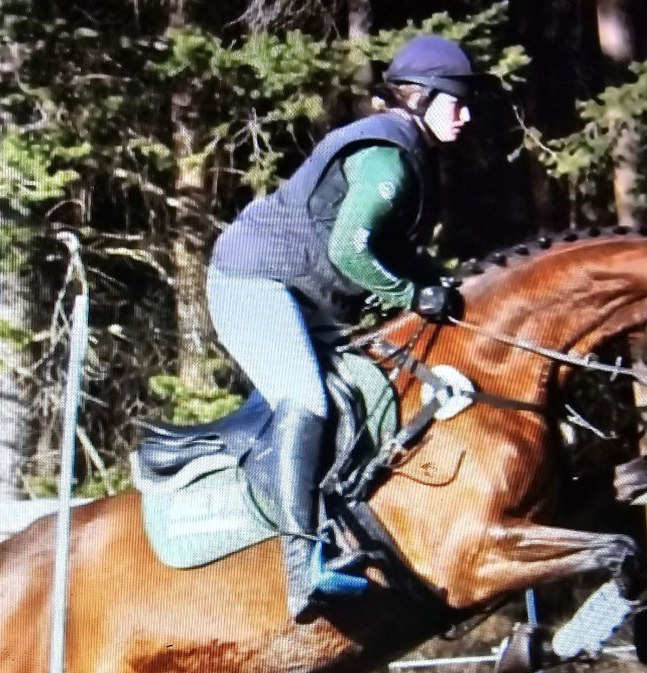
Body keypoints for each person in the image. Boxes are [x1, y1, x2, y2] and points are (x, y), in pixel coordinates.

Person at [206, 34, 480, 623]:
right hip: (251, 283)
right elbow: (351, 250)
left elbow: (391, 248)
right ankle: (305, 568)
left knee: (368, 390)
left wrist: (443, 282)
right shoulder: (388, 156)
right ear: (421, 98)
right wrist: (412, 293)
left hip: (298, 296)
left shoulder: (411, 152)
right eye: (455, 99)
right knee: (305, 400)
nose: (466, 112)